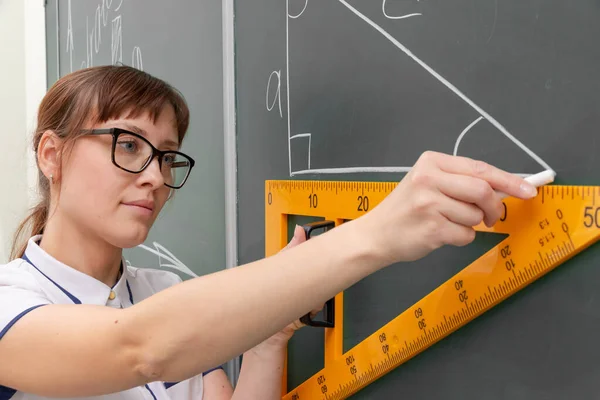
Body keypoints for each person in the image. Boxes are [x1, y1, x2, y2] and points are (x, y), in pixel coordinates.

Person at [0, 65, 539, 400]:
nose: (154, 176)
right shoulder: (11, 304)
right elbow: (137, 348)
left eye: (167, 156)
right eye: (129, 145)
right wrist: (378, 234)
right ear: (53, 155)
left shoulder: (166, 291)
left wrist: (265, 343)